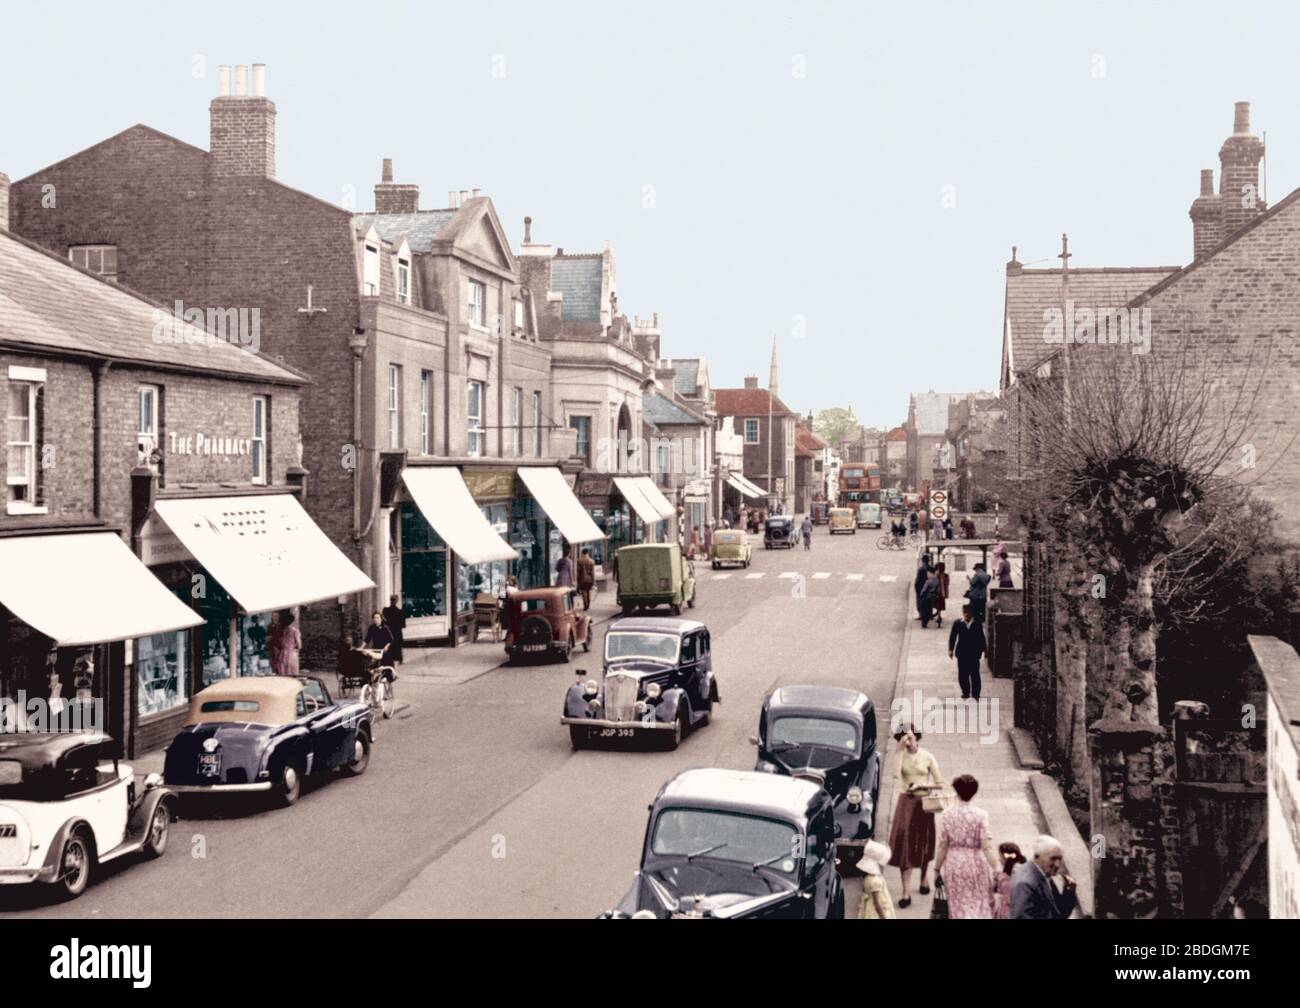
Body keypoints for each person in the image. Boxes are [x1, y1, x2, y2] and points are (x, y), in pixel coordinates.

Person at [888, 724, 943, 908]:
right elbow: (896, 774)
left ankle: (924, 878)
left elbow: (940, 783)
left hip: (924, 803)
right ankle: (905, 891)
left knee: (925, 841)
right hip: (906, 803)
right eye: (903, 738)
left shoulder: (927, 756)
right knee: (905, 843)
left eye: (910, 737)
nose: (908, 741)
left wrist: (921, 787)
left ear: (917, 736)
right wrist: (898, 750)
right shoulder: (900, 755)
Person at [933, 774, 999, 919]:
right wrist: (997, 869)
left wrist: (937, 868)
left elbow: (943, 845)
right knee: (979, 903)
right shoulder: (981, 815)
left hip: (955, 863)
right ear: (974, 793)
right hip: (977, 862)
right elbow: (987, 847)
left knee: (958, 905)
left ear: (956, 792)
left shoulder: (947, 814)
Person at [1010, 835, 1078, 919]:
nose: (1057, 864)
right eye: (1053, 858)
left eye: (1060, 859)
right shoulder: (1025, 883)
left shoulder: (1043, 874)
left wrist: (1069, 893)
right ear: (1037, 857)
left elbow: (1058, 913)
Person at [948, 604, 988, 700]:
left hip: (974, 653)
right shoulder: (957, 623)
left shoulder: (977, 623)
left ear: (971, 613)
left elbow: (981, 637)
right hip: (962, 653)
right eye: (964, 612)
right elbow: (953, 636)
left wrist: (985, 649)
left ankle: (975, 693)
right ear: (962, 613)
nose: (966, 614)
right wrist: (950, 649)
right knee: (962, 674)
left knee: (975, 673)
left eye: (968, 612)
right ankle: (965, 692)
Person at [855, 840, 896, 919]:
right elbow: (877, 903)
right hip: (875, 913)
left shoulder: (867, 878)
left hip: (867, 909)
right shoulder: (875, 881)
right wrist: (883, 917)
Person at [993, 842, 1026, 919]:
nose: (999, 859)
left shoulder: (1015, 871)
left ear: (1005, 857)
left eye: (1000, 856)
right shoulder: (1002, 874)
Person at [271, 611, 302, 676]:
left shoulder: (279, 630)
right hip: (291, 655)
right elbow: (299, 646)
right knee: (292, 675)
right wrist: (293, 646)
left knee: (282, 674)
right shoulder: (294, 631)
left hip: (281, 655)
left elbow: (276, 644)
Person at [381, 594, 406, 666]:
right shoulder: (400, 612)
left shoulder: (385, 610)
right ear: (397, 601)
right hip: (397, 633)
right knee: (398, 649)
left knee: (389, 649)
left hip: (389, 632)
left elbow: (383, 622)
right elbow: (403, 625)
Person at [965, 562, 991, 627]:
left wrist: (968, 578)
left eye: (975, 569)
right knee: (982, 609)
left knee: (974, 610)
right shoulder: (986, 576)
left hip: (975, 595)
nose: (975, 570)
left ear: (978, 569)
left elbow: (972, 583)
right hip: (983, 595)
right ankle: (981, 622)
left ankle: (975, 623)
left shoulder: (977, 575)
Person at [913, 558, 932, 623]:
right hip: (929, 588)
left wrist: (916, 588)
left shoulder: (920, 569)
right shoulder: (930, 568)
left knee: (920, 603)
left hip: (921, 588)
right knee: (928, 602)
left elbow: (917, 580)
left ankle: (921, 615)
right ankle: (929, 615)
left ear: (922, 561)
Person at [933, 561, 949, 628]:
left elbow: (934, 583)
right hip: (943, 593)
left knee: (938, 606)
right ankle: (939, 617)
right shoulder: (946, 575)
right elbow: (947, 583)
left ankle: (939, 618)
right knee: (939, 607)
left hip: (937, 593)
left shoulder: (937, 574)